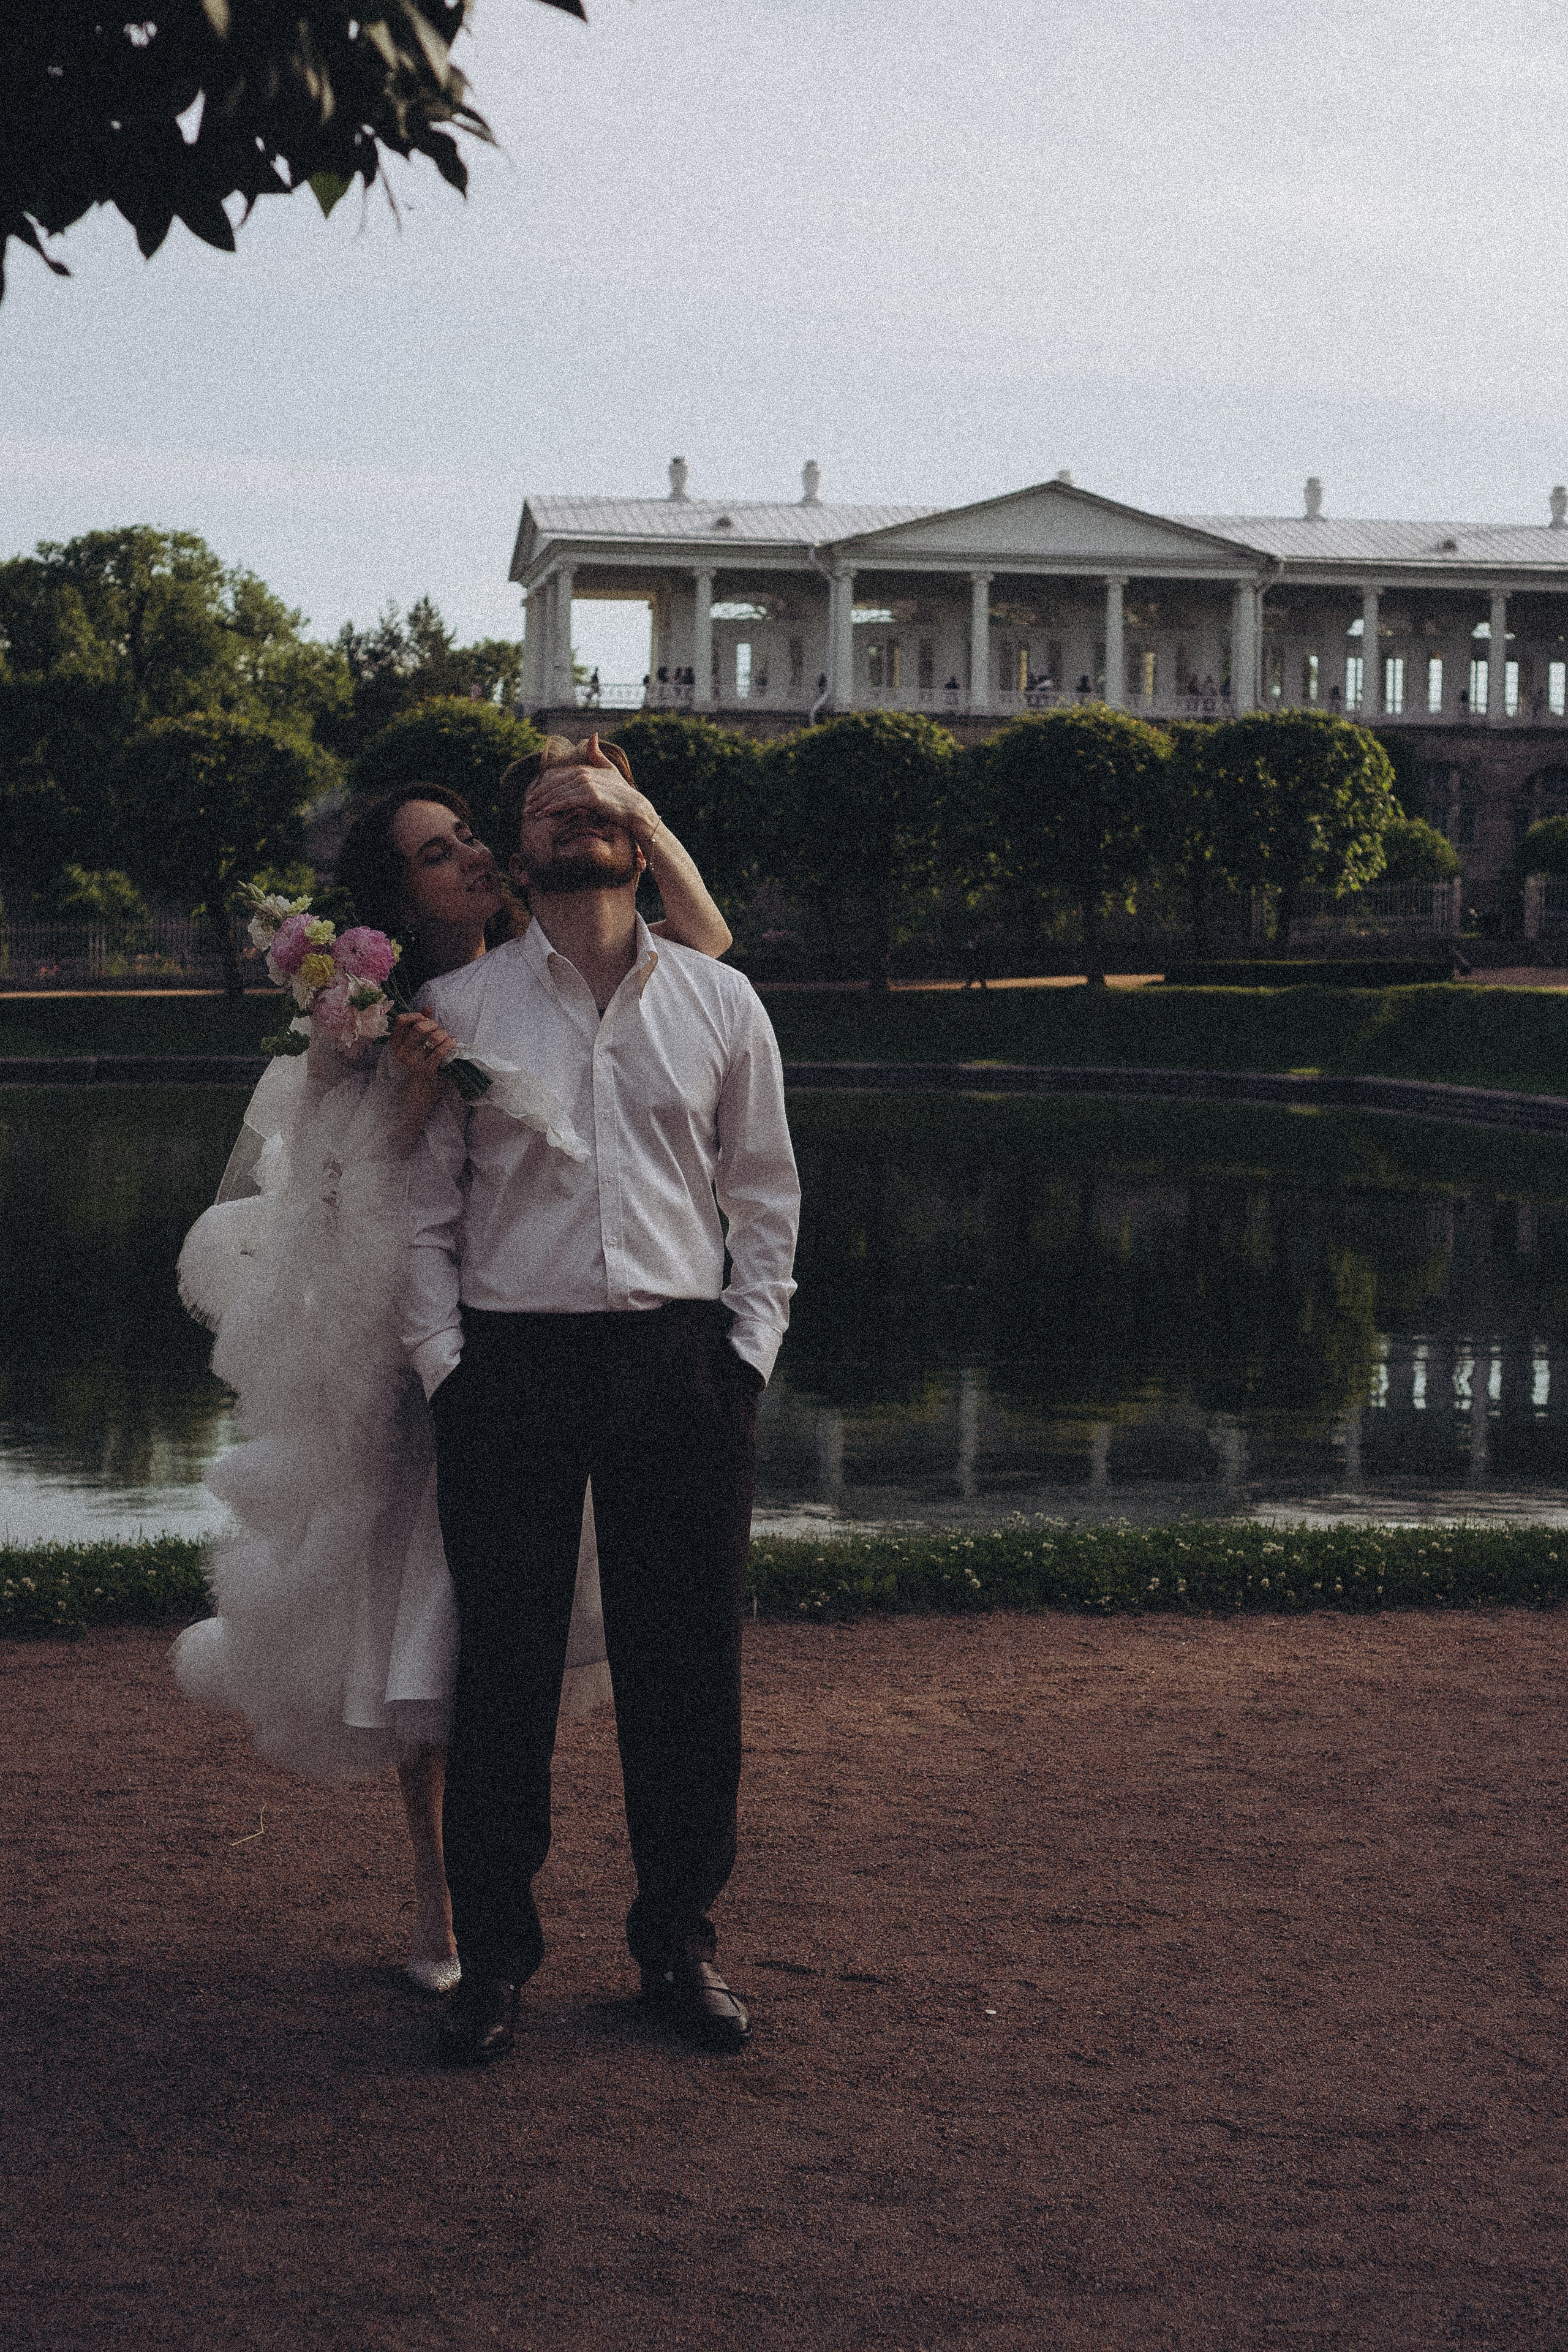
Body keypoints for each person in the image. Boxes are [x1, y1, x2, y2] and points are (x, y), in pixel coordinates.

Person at [173, 737, 733, 1998]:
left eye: (471, 834)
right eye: (438, 853)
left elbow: (706, 944)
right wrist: (416, 1100)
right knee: (424, 1627)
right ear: (398, 896)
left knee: (537, 1630)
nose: (472, 856)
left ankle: (553, 1910)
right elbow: (338, 1191)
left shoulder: (565, 969)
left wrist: (632, 808)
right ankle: (445, 1905)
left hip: (558, 1343)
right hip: (423, 1350)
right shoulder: (368, 1022)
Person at [407, 746, 800, 2065]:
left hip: (682, 1364)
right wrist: (447, 1366)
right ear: (518, 853)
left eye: (602, 805)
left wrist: (746, 1352)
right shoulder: (458, 1007)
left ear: (640, 836)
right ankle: (494, 1965)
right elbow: (423, 1212)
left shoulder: (721, 1001)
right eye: (549, 808)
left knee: (686, 1669)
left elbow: (764, 1193)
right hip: (509, 1367)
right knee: (502, 1672)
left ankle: (677, 1945)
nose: (577, 821)